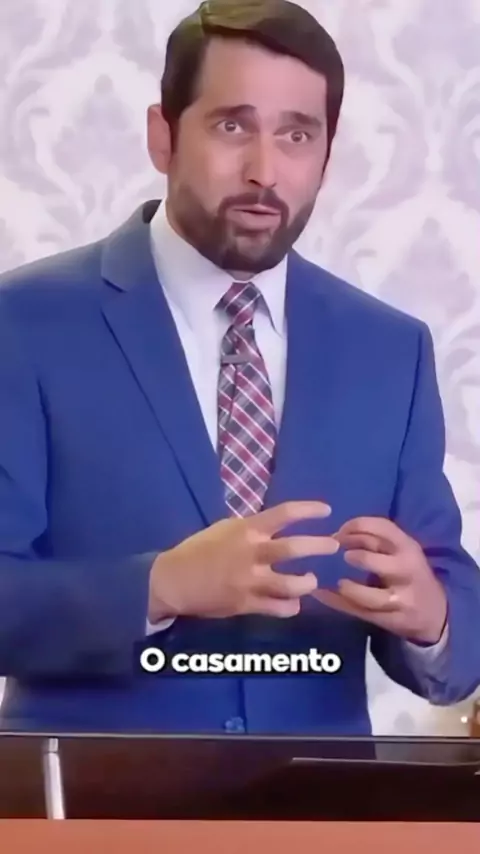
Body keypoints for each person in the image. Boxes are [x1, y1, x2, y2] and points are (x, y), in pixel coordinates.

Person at [0, 0, 478, 737]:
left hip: (322, 802)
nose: (264, 171)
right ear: (162, 135)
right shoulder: (26, 323)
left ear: (327, 154)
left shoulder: (389, 349)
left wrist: (431, 615)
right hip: (93, 799)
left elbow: (457, 622)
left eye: (297, 135)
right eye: (232, 127)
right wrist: (158, 587)